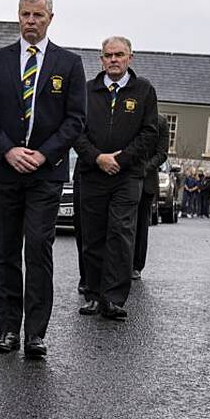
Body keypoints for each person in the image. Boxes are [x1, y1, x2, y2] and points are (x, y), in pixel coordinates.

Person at [0, 0, 86, 359]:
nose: (31, 21)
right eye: (25, 14)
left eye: (38, 15)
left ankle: (35, 333)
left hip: (45, 174)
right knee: (6, 252)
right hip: (4, 171)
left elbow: (75, 120)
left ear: (50, 18)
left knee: (37, 248)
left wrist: (44, 153)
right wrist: (8, 149)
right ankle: (8, 329)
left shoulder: (69, 64)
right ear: (18, 16)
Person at [74, 36, 159, 322]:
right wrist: (97, 157)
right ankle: (94, 294)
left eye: (119, 55)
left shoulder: (144, 90)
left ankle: (113, 298)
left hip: (127, 176)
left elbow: (149, 132)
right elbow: (75, 130)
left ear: (130, 58)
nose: (113, 60)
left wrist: (120, 160)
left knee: (121, 234)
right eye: (108, 55)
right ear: (101, 59)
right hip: (93, 173)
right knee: (93, 235)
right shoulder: (87, 90)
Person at [133, 114, 169, 280]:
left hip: (146, 179)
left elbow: (162, 154)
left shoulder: (160, 122)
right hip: (123, 175)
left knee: (141, 224)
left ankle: (136, 265)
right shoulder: (131, 113)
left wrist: (144, 168)